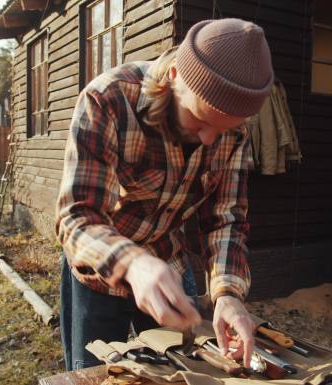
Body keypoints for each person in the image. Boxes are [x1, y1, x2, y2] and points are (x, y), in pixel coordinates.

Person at [56, 18, 274, 371]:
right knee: (93, 370)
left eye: (223, 130)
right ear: (174, 75)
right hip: (99, 268)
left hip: (168, 263)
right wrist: (134, 263)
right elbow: (76, 217)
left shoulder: (233, 133)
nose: (209, 140)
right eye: (199, 122)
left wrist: (228, 295)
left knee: (178, 369)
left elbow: (227, 220)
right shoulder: (108, 101)